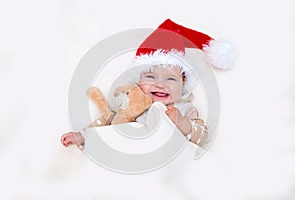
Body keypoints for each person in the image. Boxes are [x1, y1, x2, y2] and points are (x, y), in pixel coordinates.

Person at [61, 18, 233, 148]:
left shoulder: (184, 108)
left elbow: (203, 137)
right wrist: (82, 136)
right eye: (150, 77)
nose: (160, 84)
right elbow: (107, 122)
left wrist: (183, 124)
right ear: (138, 80)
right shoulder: (132, 102)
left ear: (184, 86)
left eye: (171, 79)